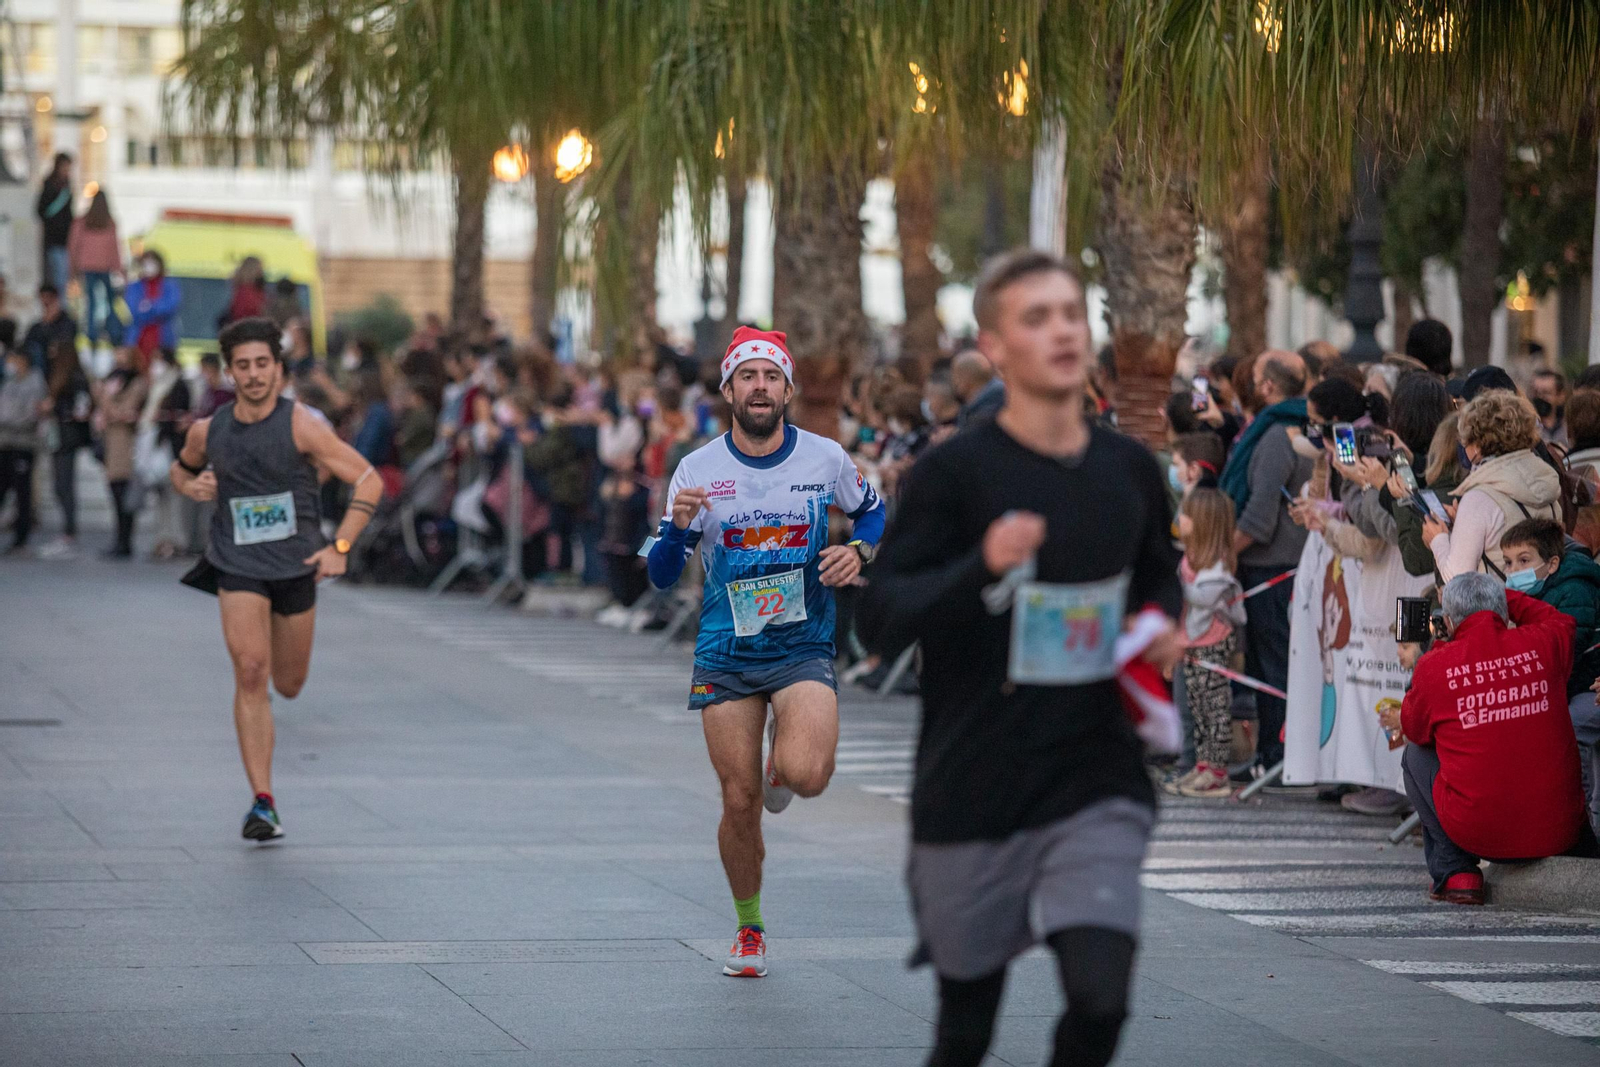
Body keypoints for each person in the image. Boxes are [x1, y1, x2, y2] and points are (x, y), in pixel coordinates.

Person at [857, 249, 1182, 1067]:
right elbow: (880, 618)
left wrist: (1160, 627)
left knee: (1101, 1000)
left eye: (1071, 313)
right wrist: (983, 564)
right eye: (1037, 318)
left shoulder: (1127, 469)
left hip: (1095, 775)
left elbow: (1158, 575)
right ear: (995, 347)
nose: (1063, 331)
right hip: (974, 779)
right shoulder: (953, 474)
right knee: (965, 1032)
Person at [646, 324, 886, 978]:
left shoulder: (825, 458)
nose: (760, 386)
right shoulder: (697, 470)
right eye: (747, 376)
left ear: (788, 390)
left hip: (801, 643)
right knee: (737, 800)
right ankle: (749, 927)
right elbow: (662, 575)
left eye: (771, 376)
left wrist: (858, 550)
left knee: (807, 775)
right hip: (726, 649)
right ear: (728, 390)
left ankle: (783, 758)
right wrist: (677, 529)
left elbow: (872, 513)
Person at [170, 318, 384, 842]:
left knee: (288, 684)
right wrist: (192, 486)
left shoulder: (302, 426)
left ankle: (265, 788)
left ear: (279, 369)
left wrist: (340, 547)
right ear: (229, 372)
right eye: (243, 365)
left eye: (262, 364)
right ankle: (262, 802)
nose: (253, 374)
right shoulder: (209, 430)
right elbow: (181, 469)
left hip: (296, 565)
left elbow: (368, 480)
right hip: (236, 562)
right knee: (250, 671)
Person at [1389, 573, 1593, 905]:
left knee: (1415, 756)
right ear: (1503, 610)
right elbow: (1560, 619)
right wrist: (1500, 597)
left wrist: (1443, 642)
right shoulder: (1543, 642)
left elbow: (1414, 730)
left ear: (1449, 621)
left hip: (1480, 835)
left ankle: (1456, 871)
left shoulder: (1435, 665)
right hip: (1560, 831)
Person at [1220, 350, 1312, 773]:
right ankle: (1271, 757)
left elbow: (1259, 518)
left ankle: (1276, 758)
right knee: (1272, 665)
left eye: (1256, 378)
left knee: (1272, 667)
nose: (1250, 385)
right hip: (1282, 568)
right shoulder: (1298, 428)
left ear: (1269, 387)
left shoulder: (1276, 435)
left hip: (1272, 570)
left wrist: (1220, 556)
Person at [1498, 518, 1600, 833]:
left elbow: (1565, 655)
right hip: (1574, 686)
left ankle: (1580, 820)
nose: (1514, 571)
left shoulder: (1574, 590)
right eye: (1508, 562)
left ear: (1552, 563)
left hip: (1587, 687)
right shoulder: (1539, 593)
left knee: (1568, 726)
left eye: (1524, 560)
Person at [1425, 391, 1560, 582]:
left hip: (1500, 599)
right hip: (1549, 597)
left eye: (1465, 441)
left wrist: (1438, 540)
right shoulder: (1544, 478)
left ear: (1477, 444)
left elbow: (1459, 579)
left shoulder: (1479, 498)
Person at [1169, 485, 1247, 799]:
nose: (1180, 519)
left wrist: (1173, 586)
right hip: (1192, 642)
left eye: (1186, 515)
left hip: (1211, 643)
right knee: (1197, 707)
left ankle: (1217, 772)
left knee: (1214, 708)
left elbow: (1203, 598)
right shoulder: (1191, 557)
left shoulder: (1217, 567)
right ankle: (1202, 765)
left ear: (1203, 522)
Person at [37, 341, 93, 559]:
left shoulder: (75, 379)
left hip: (67, 438)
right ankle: (68, 530)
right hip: (59, 437)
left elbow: (81, 409)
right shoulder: (61, 378)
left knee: (64, 484)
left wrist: (56, 409)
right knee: (60, 485)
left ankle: (70, 532)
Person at [97, 346, 150, 559]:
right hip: (111, 444)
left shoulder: (137, 383)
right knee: (115, 495)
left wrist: (106, 398)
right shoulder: (112, 381)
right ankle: (119, 539)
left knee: (125, 497)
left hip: (127, 446)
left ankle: (124, 541)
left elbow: (124, 412)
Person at [0, 347, 46, 552]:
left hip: (23, 443)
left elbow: (31, 414)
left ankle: (21, 537)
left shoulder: (35, 383)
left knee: (22, 491)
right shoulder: (10, 382)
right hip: (5, 443)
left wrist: (8, 421)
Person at [67, 189, 125, 349]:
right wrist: (119, 269)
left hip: (87, 267)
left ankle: (92, 334)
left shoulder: (82, 222)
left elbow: (73, 246)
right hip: (105, 267)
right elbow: (115, 248)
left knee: (91, 302)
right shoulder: (109, 223)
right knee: (110, 302)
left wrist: (72, 269)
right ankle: (113, 333)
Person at [127, 251, 182, 363]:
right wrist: (155, 309)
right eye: (145, 263)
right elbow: (134, 311)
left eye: (152, 263)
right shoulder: (134, 287)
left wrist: (150, 306)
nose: (148, 267)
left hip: (163, 338)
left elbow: (170, 308)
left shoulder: (170, 286)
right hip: (139, 339)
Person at [36, 153, 74, 293]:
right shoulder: (50, 185)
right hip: (53, 238)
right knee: (56, 275)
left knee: (62, 275)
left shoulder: (67, 186)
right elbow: (41, 210)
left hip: (65, 238)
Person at [22, 285, 79, 373]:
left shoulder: (67, 322)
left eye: (49, 299)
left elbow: (66, 340)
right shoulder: (38, 326)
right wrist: (46, 323)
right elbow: (28, 342)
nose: (46, 303)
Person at [950, 348, 1004, 427]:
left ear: (966, 377)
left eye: (955, 376)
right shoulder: (994, 397)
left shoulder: (990, 409)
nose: (954, 381)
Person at [218, 256, 268, 330]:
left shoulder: (254, 289)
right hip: (249, 329)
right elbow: (243, 314)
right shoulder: (246, 291)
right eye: (260, 269)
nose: (262, 272)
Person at [1530, 369, 1570, 448]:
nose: (1540, 397)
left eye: (1546, 393)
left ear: (1560, 396)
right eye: (1536, 393)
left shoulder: (1569, 429)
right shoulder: (1527, 430)